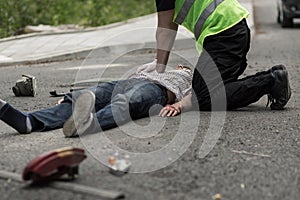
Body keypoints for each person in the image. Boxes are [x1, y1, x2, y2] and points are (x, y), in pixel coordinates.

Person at [142, 0, 292, 116]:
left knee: (203, 98)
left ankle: (271, 80)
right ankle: (268, 80)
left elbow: (165, 29)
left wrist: (159, 67)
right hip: (234, 30)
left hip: (224, 35)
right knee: (205, 89)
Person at [0, 65, 192, 137]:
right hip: (129, 81)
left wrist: (178, 105)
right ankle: (29, 121)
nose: (182, 67)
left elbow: (199, 96)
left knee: (127, 102)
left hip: (155, 90)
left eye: (184, 67)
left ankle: (88, 124)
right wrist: (70, 97)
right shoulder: (159, 67)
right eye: (181, 66)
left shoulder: (189, 78)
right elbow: (141, 71)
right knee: (92, 94)